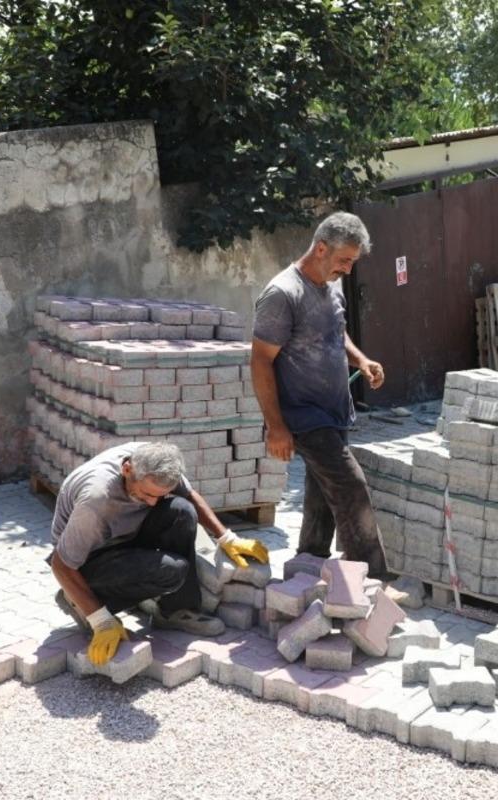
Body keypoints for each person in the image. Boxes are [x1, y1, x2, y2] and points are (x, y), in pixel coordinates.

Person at [251, 211, 395, 583]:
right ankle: (371, 581)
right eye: (344, 260)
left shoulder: (330, 287)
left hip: (333, 411)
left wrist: (361, 360)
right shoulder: (283, 293)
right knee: (351, 488)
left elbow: (336, 334)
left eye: (352, 261)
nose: (348, 269)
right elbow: (260, 362)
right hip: (302, 415)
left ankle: (308, 562)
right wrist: (276, 427)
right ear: (320, 248)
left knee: (322, 493)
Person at [49, 441, 269, 666]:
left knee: (182, 511)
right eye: (146, 494)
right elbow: (61, 564)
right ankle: (82, 603)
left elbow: (189, 495)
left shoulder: (159, 462)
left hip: (126, 534)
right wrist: (101, 620)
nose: (153, 502)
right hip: (89, 557)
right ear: (127, 470)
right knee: (170, 572)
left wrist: (227, 538)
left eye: (159, 496)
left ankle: (176, 611)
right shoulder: (97, 500)